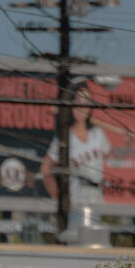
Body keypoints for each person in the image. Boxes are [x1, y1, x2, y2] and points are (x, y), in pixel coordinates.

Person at [38, 80, 112, 210]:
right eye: (78, 100)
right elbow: (45, 169)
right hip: (74, 202)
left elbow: (113, 162)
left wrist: (128, 143)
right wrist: (58, 198)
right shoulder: (65, 136)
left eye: (86, 101)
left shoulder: (97, 133)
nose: (82, 106)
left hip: (97, 200)